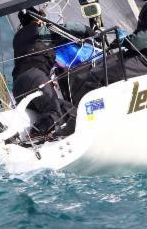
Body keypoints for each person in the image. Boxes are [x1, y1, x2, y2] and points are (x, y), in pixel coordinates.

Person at [11, 8, 89, 137]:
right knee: (54, 111)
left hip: (18, 87)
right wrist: (88, 31)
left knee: (66, 108)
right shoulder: (40, 30)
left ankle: (74, 133)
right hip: (35, 79)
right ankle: (36, 134)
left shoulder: (18, 37)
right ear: (39, 20)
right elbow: (68, 28)